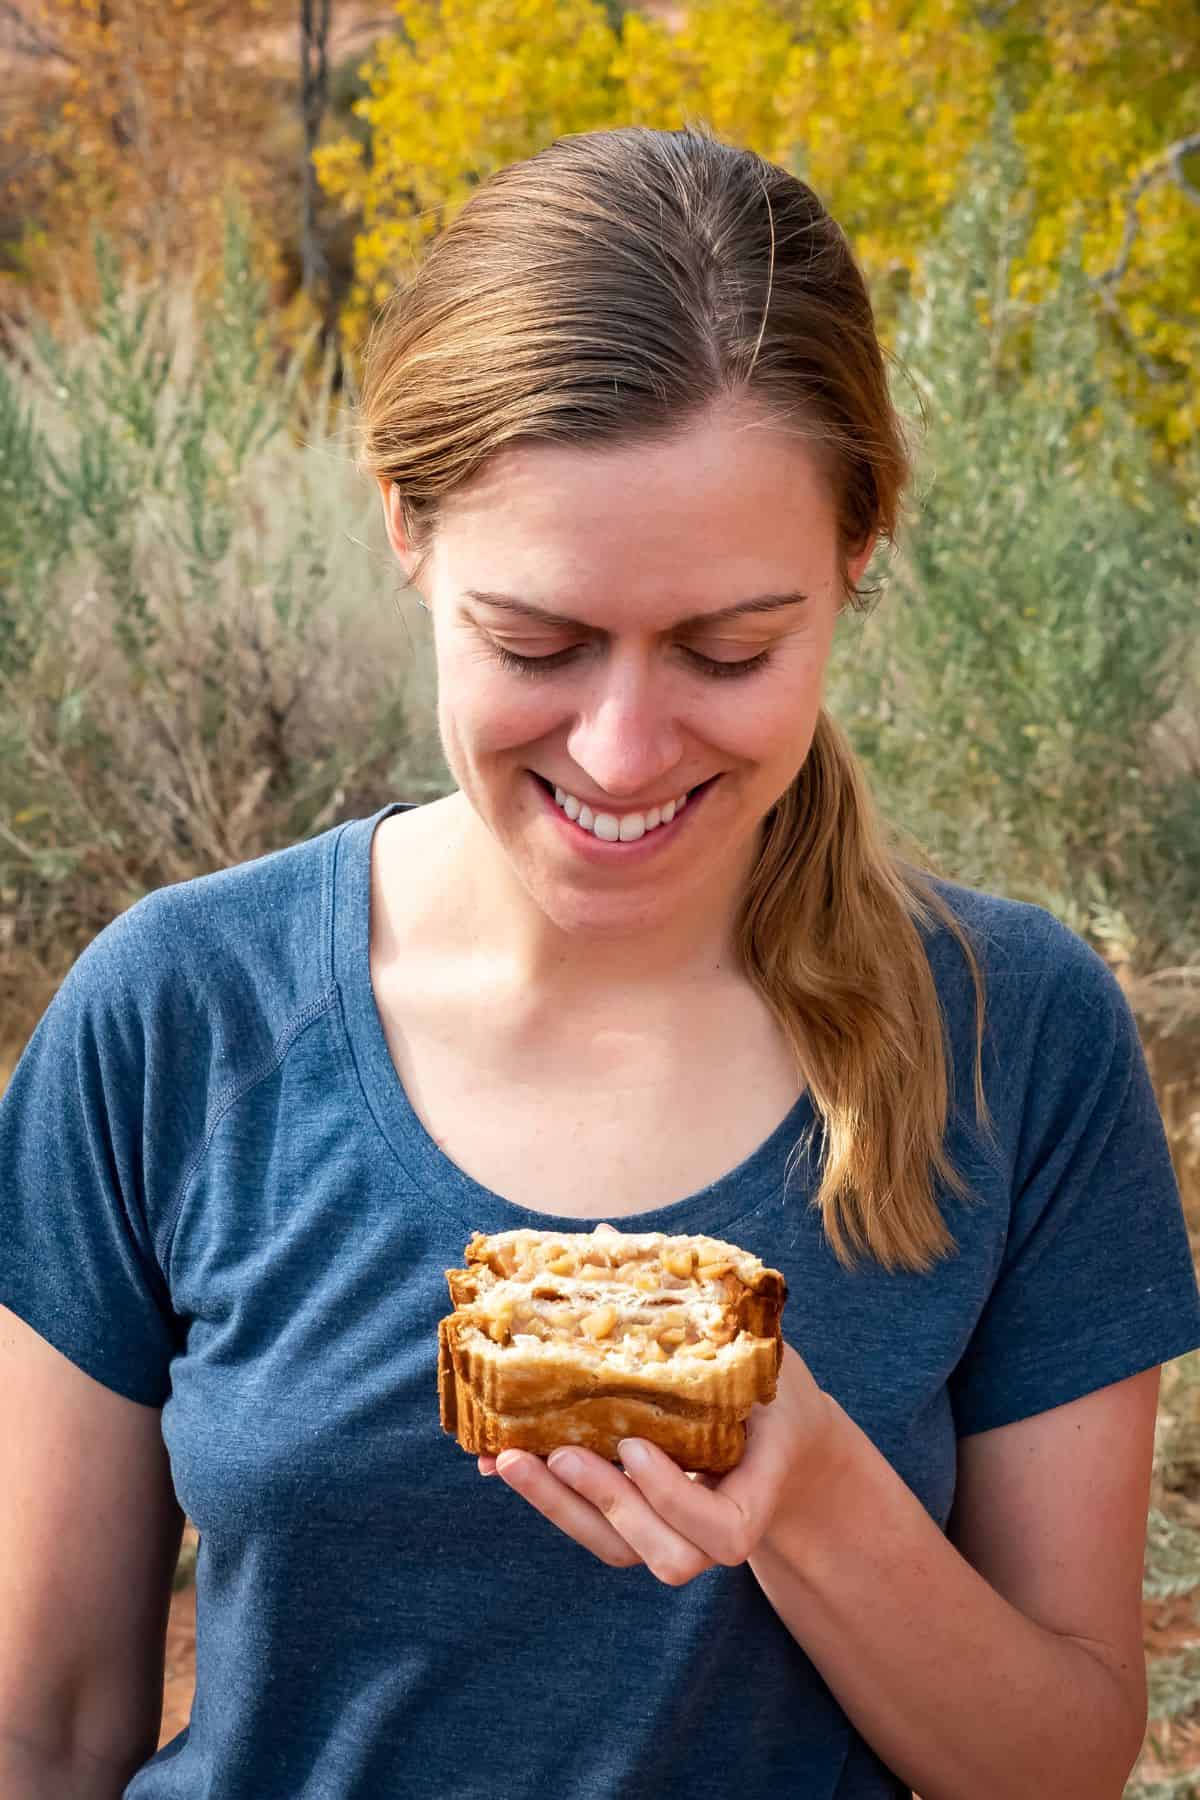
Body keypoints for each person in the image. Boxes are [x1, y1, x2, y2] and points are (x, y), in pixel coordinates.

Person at [1, 122, 1198, 1800]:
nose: (624, 752)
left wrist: (806, 1493)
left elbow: (1058, 1765)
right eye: (538, 644)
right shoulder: (174, 1015)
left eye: (730, 648)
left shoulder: (1017, 1037)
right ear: (407, 531)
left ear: (860, 557)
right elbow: (43, 1728)